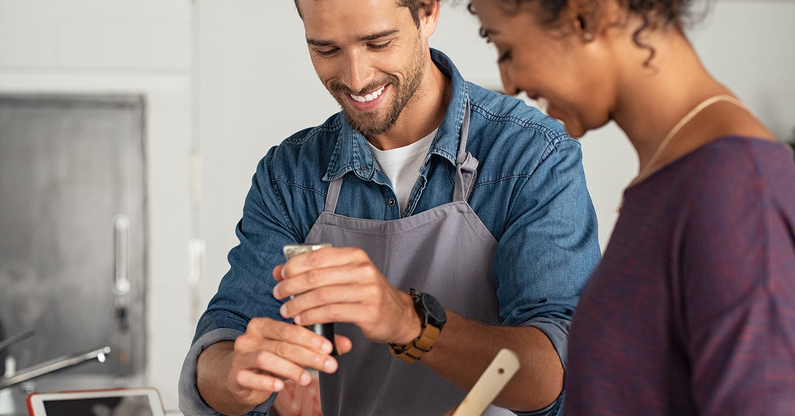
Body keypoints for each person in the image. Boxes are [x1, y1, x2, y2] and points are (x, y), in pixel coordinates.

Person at [179, 0, 602, 415]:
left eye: (378, 43)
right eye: (326, 50)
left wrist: (409, 321)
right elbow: (221, 344)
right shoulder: (289, 176)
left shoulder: (531, 155)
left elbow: (559, 371)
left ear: (428, 12)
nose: (356, 77)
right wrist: (236, 377)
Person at [467, 0, 795, 415]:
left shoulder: (735, 186)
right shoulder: (670, 180)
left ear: (586, 14)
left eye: (507, 50)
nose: (509, 82)